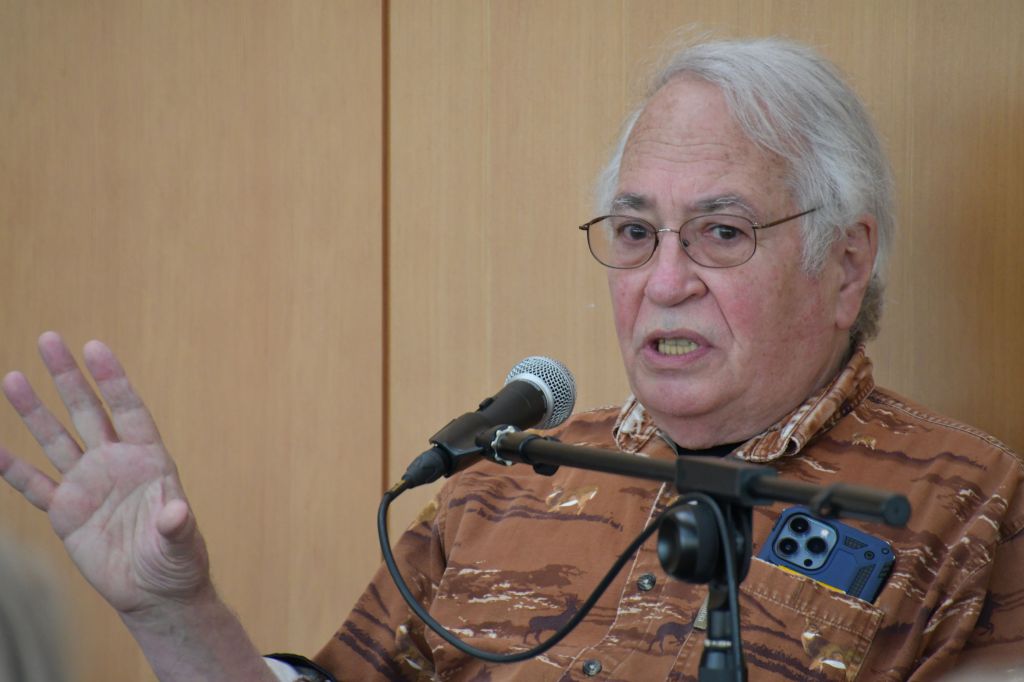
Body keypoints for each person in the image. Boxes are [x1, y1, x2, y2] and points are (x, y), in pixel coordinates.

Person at [1, 35, 1022, 681]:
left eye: (720, 232)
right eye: (635, 233)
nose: (663, 280)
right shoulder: (501, 481)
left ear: (845, 261)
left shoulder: (970, 503)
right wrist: (176, 612)